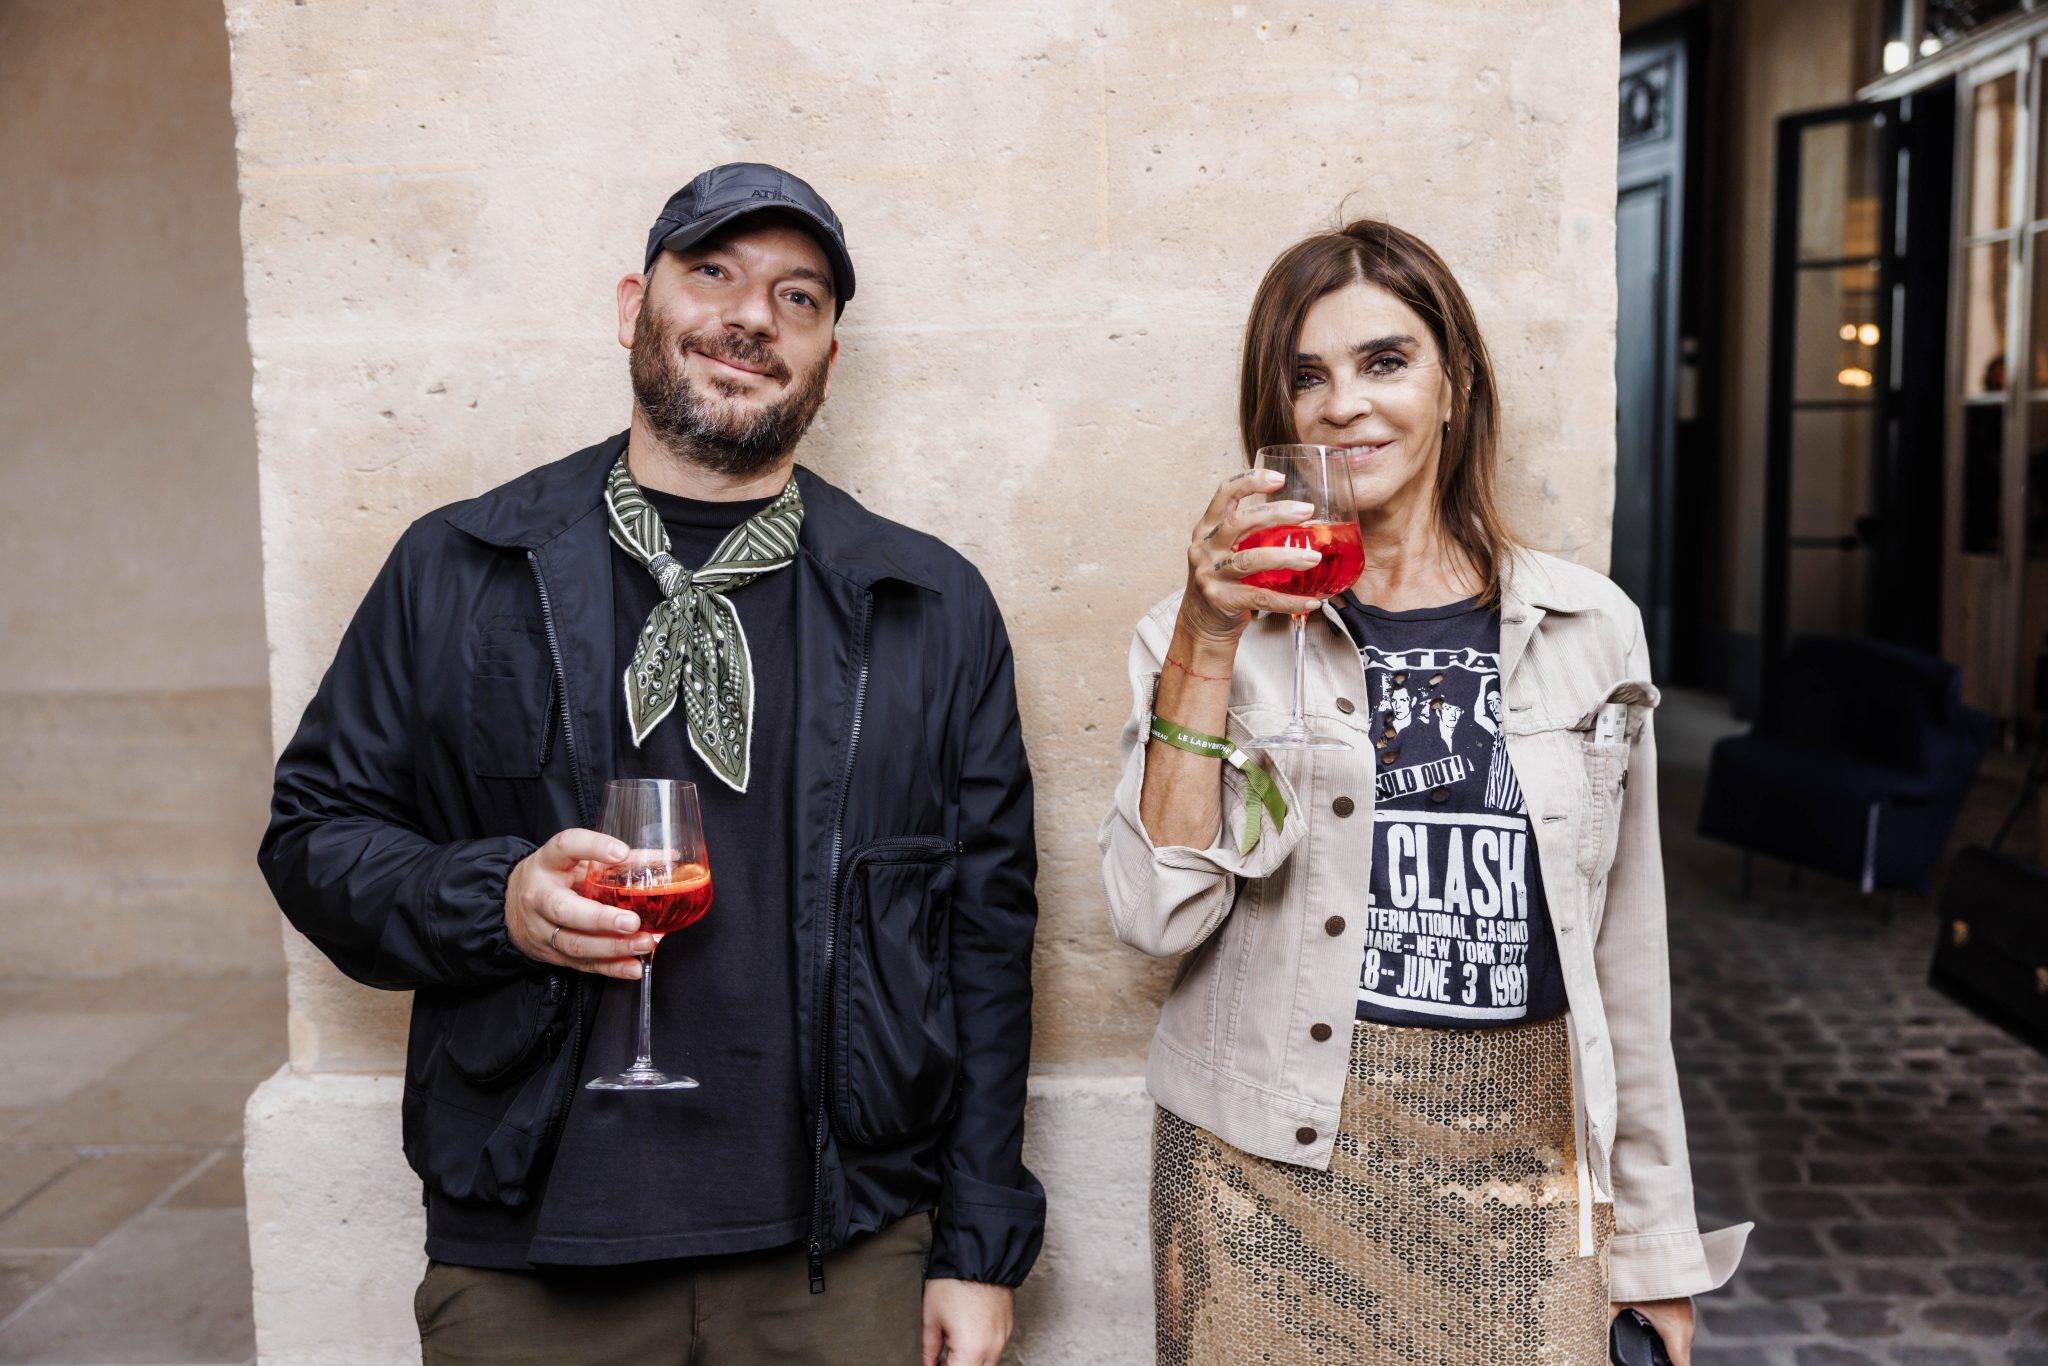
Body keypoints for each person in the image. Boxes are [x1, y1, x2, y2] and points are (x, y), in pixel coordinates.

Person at [259, 162, 1042, 1366]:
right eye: (713, 273)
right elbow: (313, 832)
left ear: (827, 357)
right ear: (635, 305)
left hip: (842, 1254)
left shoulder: (928, 604)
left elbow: (983, 938)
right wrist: (499, 901)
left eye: (798, 298)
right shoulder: (459, 566)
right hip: (530, 1244)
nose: (750, 317)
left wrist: (977, 1245)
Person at [1099, 217, 1749, 1364]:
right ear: (1280, 418)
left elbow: (1624, 963)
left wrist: (1649, 1248)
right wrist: (1206, 631)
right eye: (1307, 377)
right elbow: (1154, 914)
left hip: (1522, 1189)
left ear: (1455, 384)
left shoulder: (1590, 629)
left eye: (1383, 361)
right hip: (1263, 1193)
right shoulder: (1203, 638)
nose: (1343, 403)